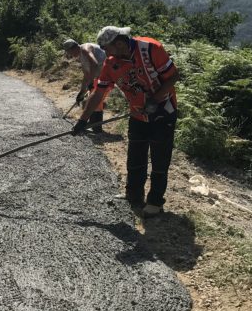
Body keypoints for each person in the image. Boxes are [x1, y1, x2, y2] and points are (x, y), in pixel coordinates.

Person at [72, 26, 180, 218]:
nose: (105, 52)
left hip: (163, 113)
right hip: (137, 115)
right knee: (135, 157)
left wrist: (155, 99)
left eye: (106, 48)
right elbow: (99, 92)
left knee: (159, 159)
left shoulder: (150, 48)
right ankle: (133, 195)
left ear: (120, 43)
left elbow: (173, 76)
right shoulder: (111, 64)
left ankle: (155, 202)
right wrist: (83, 120)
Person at [62, 38, 109, 133]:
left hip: (108, 75)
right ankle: (94, 125)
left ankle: (97, 128)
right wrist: (81, 93)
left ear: (73, 48)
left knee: (95, 99)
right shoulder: (81, 56)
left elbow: (94, 64)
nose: (70, 55)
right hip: (101, 77)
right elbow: (86, 76)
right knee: (91, 99)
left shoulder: (85, 49)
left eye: (70, 52)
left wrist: (91, 82)